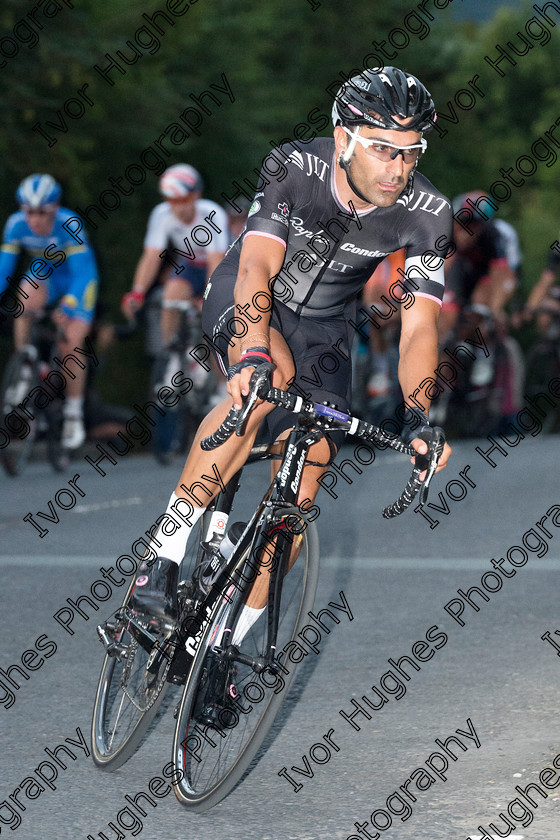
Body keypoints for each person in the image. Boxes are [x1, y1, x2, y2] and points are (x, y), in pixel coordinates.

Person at [131, 66, 453, 625]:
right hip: (252, 297)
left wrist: (421, 414)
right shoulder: (295, 167)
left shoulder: (430, 215)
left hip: (327, 329)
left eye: (410, 152)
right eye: (381, 149)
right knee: (264, 386)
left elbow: (419, 327)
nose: (396, 168)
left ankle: (230, 640)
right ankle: (162, 557)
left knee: (310, 477)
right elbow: (256, 264)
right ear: (343, 137)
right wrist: (252, 349)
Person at [0, 173, 99, 449]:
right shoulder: (15, 225)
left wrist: (69, 304)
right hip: (45, 276)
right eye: (29, 211)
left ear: (54, 208)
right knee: (24, 300)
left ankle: (73, 413)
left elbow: (82, 273)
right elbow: (4, 270)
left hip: (78, 282)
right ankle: (25, 365)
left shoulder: (69, 223)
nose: (35, 219)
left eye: (42, 212)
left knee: (70, 344)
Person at [121, 163, 229, 375]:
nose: (177, 207)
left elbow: (216, 260)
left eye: (183, 200)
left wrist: (208, 298)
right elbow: (151, 256)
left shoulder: (212, 214)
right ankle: (171, 356)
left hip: (220, 266)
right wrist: (137, 292)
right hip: (190, 264)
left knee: (214, 318)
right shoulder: (161, 214)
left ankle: (219, 380)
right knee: (170, 297)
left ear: (196, 195)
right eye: (171, 200)